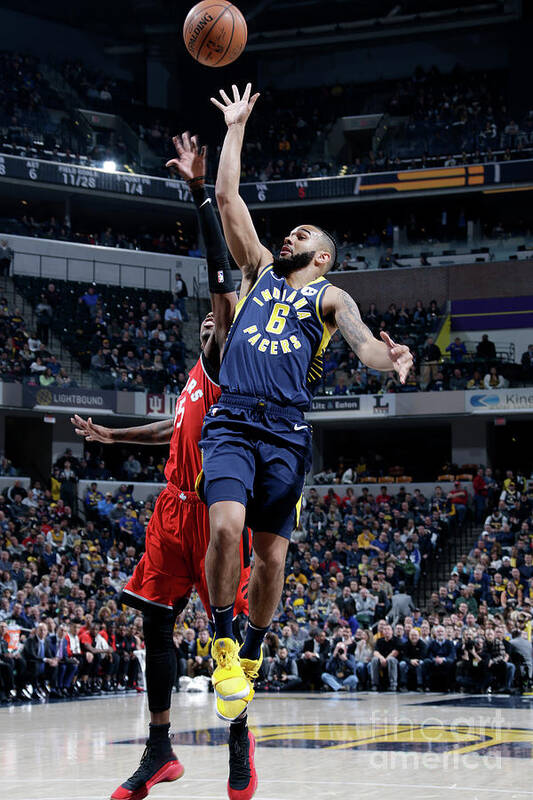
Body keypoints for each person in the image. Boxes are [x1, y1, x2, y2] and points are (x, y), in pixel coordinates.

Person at [201, 82, 412, 737]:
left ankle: (257, 647)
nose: (291, 232)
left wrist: (393, 359)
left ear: (320, 256)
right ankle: (222, 646)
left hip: (286, 433)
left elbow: (363, 349)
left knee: (271, 560)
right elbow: (226, 198)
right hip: (234, 417)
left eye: (305, 232)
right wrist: (235, 126)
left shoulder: (330, 297)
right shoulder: (257, 269)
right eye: (290, 228)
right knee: (225, 529)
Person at [72, 133, 252, 800]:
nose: (210, 326)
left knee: (224, 639)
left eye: (218, 321)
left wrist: (198, 192)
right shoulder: (192, 379)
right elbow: (170, 429)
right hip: (171, 508)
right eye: (206, 325)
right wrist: (112, 436)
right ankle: (158, 749)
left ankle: (239, 746)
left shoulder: (226, 363)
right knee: (153, 620)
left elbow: (215, 273)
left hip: (214, 514)